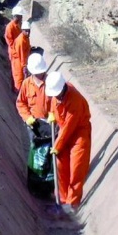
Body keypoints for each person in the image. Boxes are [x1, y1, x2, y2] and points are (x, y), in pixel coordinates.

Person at [45, 71, 92, 214]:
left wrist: (57, 146)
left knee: (76, 169)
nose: (56, 96)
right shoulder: (56, 93)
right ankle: (63, 199)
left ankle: (72, 205)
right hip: (64, 133)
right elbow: (53, 104)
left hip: (78, 134)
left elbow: (68, 128)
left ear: (63, 89)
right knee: (60, 165)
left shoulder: (75, 100)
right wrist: (52, 114)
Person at [16, 53, 50, 132]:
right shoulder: (26, 84)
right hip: (34, 123)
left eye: (40, 72)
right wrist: (27, 117)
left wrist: (54, 115)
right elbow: (20, 103)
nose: (39, 74)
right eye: (36, 73)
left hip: (50, 123)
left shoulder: (50, 82)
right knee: (35, 143)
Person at [10, 20, 32, 92]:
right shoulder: (20, 41)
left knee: (23, 78)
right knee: (19, 79)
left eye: (29, 31)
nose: (28, 32)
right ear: (22, 30)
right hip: (18, 62)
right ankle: (18, 94)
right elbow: (21, 55)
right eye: (26, 31)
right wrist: (24, 66)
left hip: (23, 60)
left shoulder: (26, 37)